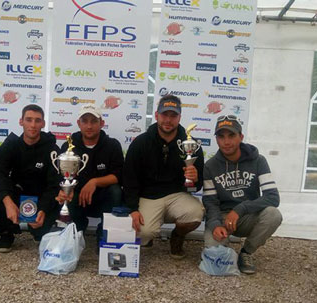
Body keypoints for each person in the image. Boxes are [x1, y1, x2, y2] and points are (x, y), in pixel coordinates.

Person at [123, 95, 205, 259]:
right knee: (143, 234)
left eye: (173, 115)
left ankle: (177, 236)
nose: (168, 120)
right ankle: (150, 234)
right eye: (164, 115)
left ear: (179, 117)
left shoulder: (191, 144)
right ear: (156, 115)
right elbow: (129, 179)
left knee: (196, 213)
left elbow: (197, 186)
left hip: (177, 196)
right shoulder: (141, 143)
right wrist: (132, 209)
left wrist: (195, 179)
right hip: (148, 197)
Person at [202, 115, 282, 274]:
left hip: (247, 216)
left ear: (241, 137)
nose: (226, 141)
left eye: (231, 135)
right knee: (214, 253)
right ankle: (224, 246)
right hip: (223, 218)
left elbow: (273, 197)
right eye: (221, 136)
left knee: (273, 215)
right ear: (216, 139)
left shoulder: (258, 161)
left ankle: (246, 253)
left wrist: (240, 209)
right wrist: (215, 225)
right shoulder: (210, 166)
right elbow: (210, 202)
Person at [0, 104, 61, 252]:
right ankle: (6, 232)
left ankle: (40, 229)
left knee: (58, 197)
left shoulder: (52, 149)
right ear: (21, 121)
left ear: (43, 123)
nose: (33, 125)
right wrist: (8, 202)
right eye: (28, 120)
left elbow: (54, 185)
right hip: (17, 194)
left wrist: (43, 209)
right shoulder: (11, 145)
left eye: (37, 120)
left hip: (40, 196)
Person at [55, 104, 124, 244]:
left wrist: (94, 182)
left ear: (102, 123)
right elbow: (61, 177)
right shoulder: (68, 147)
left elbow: (119, 176)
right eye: (85, 121)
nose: (89, 126)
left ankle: (104, 232)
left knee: (116, 191)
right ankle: (77, 228)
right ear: (78, 123)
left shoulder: (112, 145)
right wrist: (66, 190)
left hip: (102, 197)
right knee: (64, 193)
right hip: (78, 196)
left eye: (94, 121)